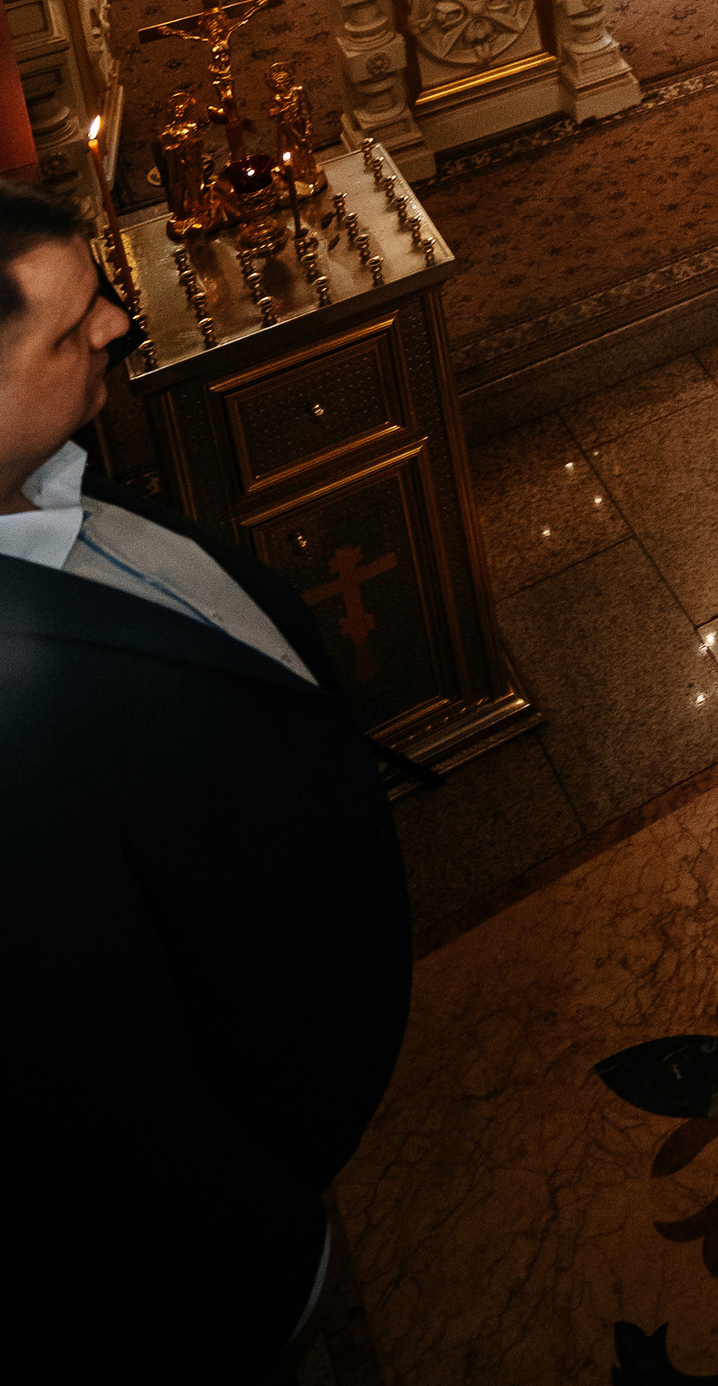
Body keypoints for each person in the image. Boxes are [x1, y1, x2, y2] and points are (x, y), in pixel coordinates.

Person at [0, 185, 411, 1377]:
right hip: (256, 1214)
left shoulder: (44, 468)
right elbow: (96, 1091)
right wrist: (281, 1261)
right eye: (72, 326)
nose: (117, 330)